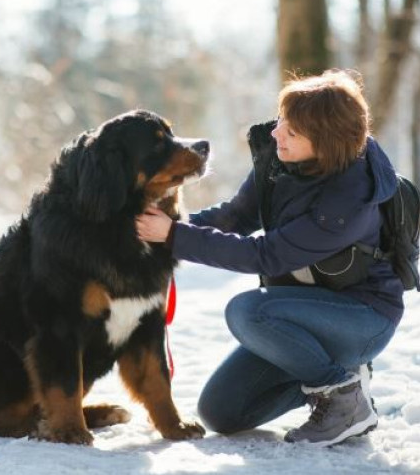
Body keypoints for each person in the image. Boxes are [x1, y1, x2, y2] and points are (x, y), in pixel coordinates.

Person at [135, 69, 404, 447]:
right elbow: (239, 215)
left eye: (292, 132)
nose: (277, 133)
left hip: (361, 317)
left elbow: (267, 255)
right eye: (282, 120)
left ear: (325, 145)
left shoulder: (350, 198)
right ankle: (344, 375)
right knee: (221, 413)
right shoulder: (280, 160)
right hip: (300, 317)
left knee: (247, 312)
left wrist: (174, 236)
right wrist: (166, 229)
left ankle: (343, 398)